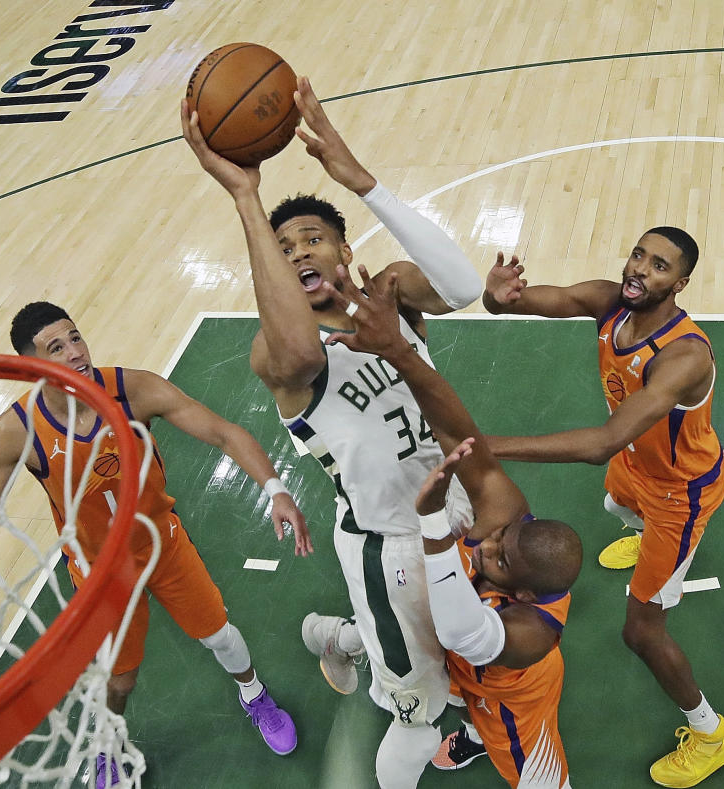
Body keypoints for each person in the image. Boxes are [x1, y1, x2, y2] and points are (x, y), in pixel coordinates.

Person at [181, 76, 483, 788]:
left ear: (345, 248)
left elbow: (464, 285)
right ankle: (356, 643)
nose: (299, 252)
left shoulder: (391, 298)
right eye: (284, 250)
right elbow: (300, 352)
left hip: (462, 507)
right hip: (389, 546)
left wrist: (360, 180)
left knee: (471, 648)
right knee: (416, 716)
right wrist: (247, 199)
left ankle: (334, 635)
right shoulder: (279, 357)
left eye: (313, 238)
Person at [0, 302, 308, 787]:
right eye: (55, 348)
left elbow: (223, 433)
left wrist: (275, 489)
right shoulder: (17, 430)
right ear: (33, 366)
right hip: (100, 571)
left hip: (162, 545)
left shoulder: (132, 390)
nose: (75, 352)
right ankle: (110, 743)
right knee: (120, 679)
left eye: (75, 337)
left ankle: (254, 695)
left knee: (219, 635)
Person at [481, 231, 724, 788]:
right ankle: (646, 535)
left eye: (659, 266)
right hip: (637, 467)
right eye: (639, 256)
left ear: (680, 283)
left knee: (642, 633)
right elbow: (520, 302)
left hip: (681, 493)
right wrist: (497, 295)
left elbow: (602, 441)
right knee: (612, 501)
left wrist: (491, 445)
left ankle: (712, 732)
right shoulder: (610, 302)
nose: (641, 270)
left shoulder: (683, 356)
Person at [322, 264, 582, 788]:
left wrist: (434, 522)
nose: (488, 547)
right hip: (467, 664)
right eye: (502, 538)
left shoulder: (531, 637)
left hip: (511, 702)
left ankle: (480, 735)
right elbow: (457, 432)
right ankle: (349, 637)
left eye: (501, 559)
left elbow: (461, 630)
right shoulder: (505, 523)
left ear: (527, 593)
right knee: (442, 670)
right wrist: (399, 350)